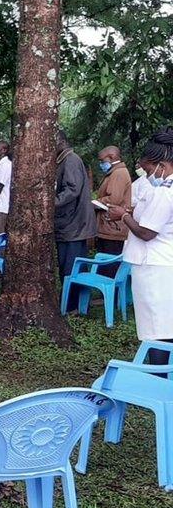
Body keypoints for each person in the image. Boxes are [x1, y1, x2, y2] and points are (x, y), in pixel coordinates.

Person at [107, 130, 173, 364]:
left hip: (155, 265)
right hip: (160, 263)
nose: (146, 175)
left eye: (147, 170)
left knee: (158, 330)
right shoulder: (163, 189)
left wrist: (123, 216)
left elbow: (147, 232)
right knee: (164, 325)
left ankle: (159, 378)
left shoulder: (165, 192)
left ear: (161, 166)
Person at [55, 131, 97, 312]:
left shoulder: (70, 160)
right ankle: (77, 303)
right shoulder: (64, 159)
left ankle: (72, 305)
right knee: (72, 265)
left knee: (71, 267)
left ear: (61, 141)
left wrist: (51, 203)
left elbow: (72, 189)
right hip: (71, 224)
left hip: (73, 224)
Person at [93, 145, 131, 277]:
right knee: (105, 269)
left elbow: (113, 199)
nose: (101, 164)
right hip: (108, 228)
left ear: (112, 157)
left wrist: (95, 203)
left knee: (110, 270)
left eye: (102, 161)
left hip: (113, 228)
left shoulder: (119, 173)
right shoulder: (114, 172)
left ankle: (112, 297)